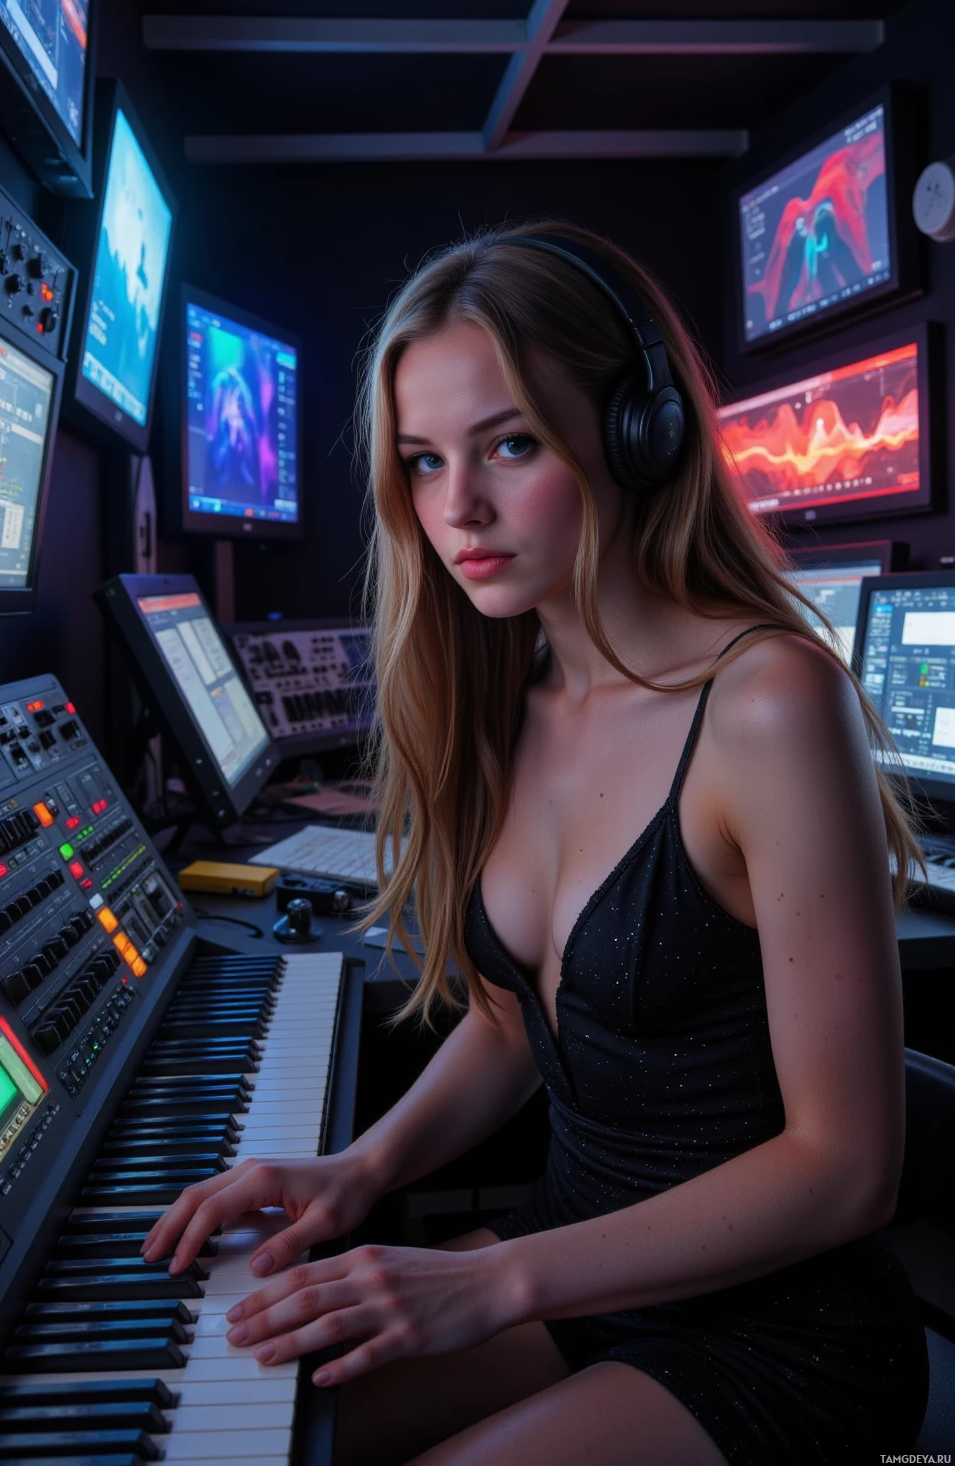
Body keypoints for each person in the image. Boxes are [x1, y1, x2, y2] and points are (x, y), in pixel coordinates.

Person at [142, 221, 930, 1465]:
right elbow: (523, 1017)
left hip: (773, 1332)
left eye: (509, 443)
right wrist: (361, 1168)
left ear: (638, 436)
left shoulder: (771, 701)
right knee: (227, 1441)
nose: (458, 508)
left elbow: (846, 1171)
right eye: (420, 461)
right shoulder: (512, 692)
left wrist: (497, 1280)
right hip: (572, 1267)